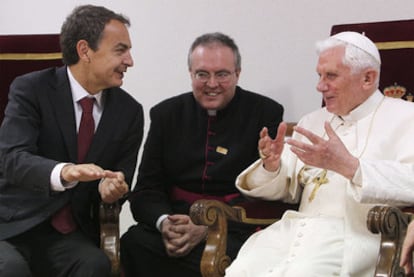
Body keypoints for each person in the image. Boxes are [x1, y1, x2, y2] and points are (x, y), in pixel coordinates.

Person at [225, 31, 414, 277]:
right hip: (292, 232)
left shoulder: (406, 117)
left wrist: (350, 167)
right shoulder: (312, 121)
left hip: (355, 238)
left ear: (368, 78)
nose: (319, 86)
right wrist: (272, 166)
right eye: (319, 75)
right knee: (240, 271)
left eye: (331, 76)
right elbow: (286, 189)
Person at [120, 32, 284, 277]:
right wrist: (164, 222)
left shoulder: (264, 112)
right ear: (190, 74)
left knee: (237, 259)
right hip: (176, 224)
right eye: (202, 74)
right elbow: (146, 189)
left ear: (237, 73)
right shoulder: (166, 114)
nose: (212, 84)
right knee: (133, 244)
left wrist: (208, 226)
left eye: (222, 74)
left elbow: (268, 192)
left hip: (235, 227)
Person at [0, 5, 143, 277]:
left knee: (95, 265)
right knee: (12, 270)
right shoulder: (31, 89)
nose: (130, 61)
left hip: (67, 234)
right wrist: (65, 172)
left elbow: (121, 183)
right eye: (120, 50)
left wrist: (110, 191)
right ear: (85, 50)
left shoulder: (129, 112)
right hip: (10, 225)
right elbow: (12, 160)